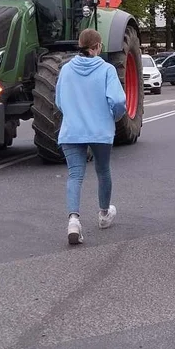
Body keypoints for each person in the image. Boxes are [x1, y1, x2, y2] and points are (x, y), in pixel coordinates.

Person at [56, 28, 126, 244]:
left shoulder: (66, 70)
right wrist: (112, 118)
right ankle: (104, 214)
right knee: (103, 171)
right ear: (96, 47)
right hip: (99, 130)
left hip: (71, 131)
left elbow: (59, 101)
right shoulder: (107, 70)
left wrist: (73, 115)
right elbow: (118, 101)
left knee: (75, 175)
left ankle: (74, 221)